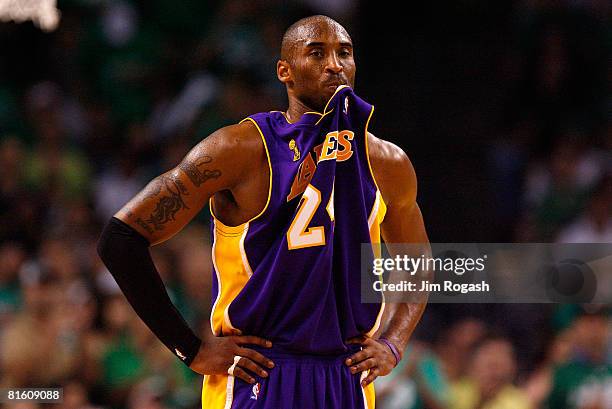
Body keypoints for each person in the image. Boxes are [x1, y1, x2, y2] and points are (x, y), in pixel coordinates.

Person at [98, 15, 429, 408]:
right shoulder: (239, 149)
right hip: (259, 371)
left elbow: (417, 259)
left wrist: (393, 343)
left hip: (347, 373)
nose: (334, 65)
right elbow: (120, 239)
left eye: (344, 53)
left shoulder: (387, 161)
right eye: (317, 53)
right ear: (284, 71)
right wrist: (191, 349)